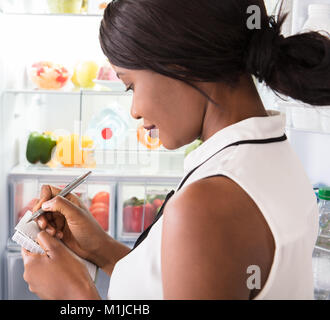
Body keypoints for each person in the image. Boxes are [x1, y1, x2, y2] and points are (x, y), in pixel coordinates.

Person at [21, 0, 330, 299]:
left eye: (131, 86)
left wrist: (75, 295)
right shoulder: (270, 156)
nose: (134, 111)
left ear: (181, 62)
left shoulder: (208, 204)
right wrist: (101, 250)